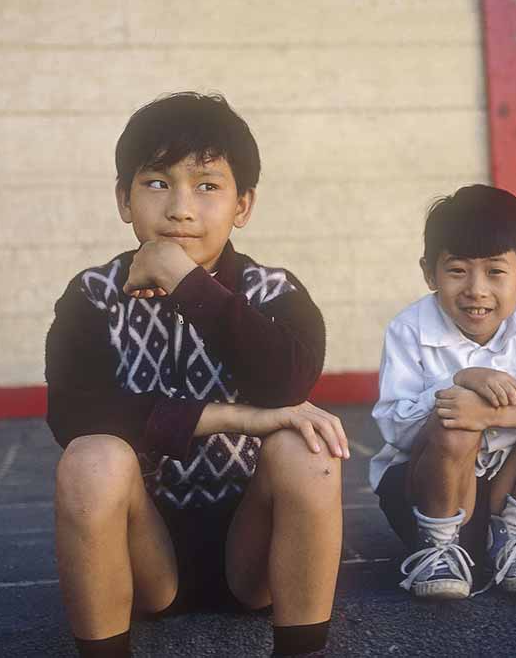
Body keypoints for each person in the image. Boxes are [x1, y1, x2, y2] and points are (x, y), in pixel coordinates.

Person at [46, 92, 348, 658]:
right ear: (123, 199)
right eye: (157, 183)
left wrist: (191, 285)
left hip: (255, 554)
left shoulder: (273, 291)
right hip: (143, 555)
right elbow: (72, 413)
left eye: (208, 186)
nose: (181, 207)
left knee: (309, 449)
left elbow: (288, 383)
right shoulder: (92, 295)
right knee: (90, 457)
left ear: (244, 205)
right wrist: (235, 418)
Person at [371, 185, 516, 600]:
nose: (476, 289)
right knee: (458, 419)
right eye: (458, 271)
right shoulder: (409, 329)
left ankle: (510, 541)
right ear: (430, 273)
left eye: (496, 272)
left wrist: (497, 416)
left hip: (503, 495)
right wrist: (460, 384)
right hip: (425, 493)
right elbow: (395, 426)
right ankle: (438, 551)